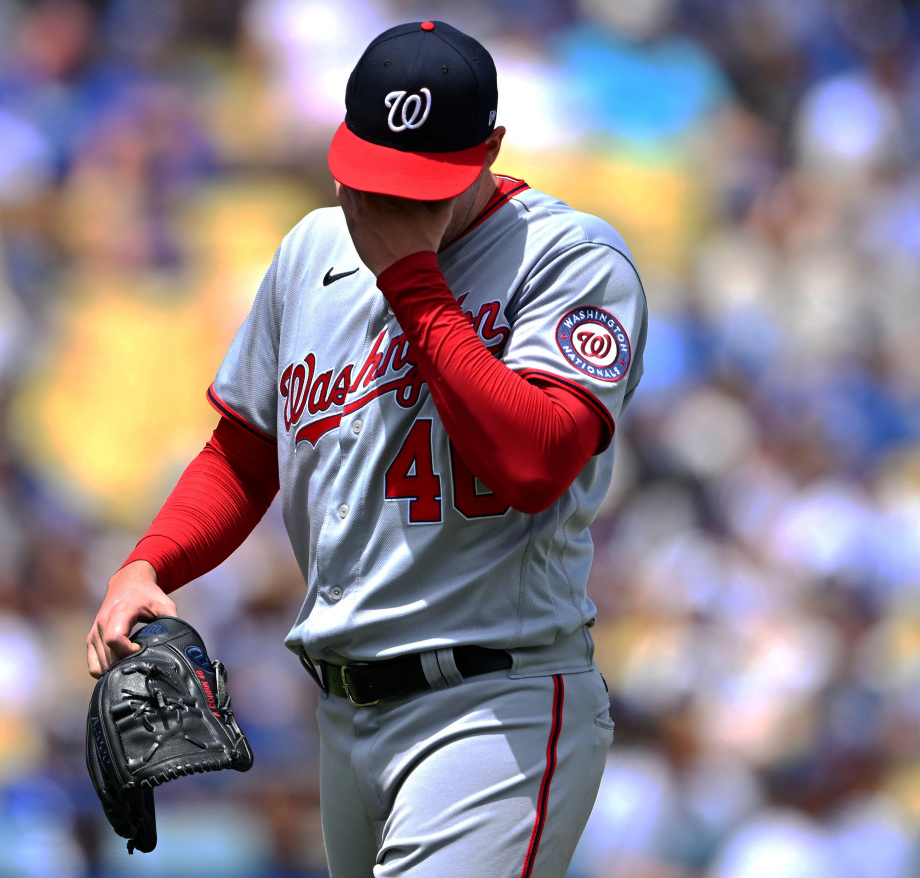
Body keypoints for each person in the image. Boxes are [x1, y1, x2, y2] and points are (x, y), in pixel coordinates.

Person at [87, 20, 647, 878]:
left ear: (490, 148)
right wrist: (151, 565)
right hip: (345, 713)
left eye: (424, 185)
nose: (391, 207)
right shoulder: (309, 251)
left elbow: (536, 463)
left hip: (495, 705)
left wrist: (413, 282)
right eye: (375, 176)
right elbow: (245, 448)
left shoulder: (567, 257)